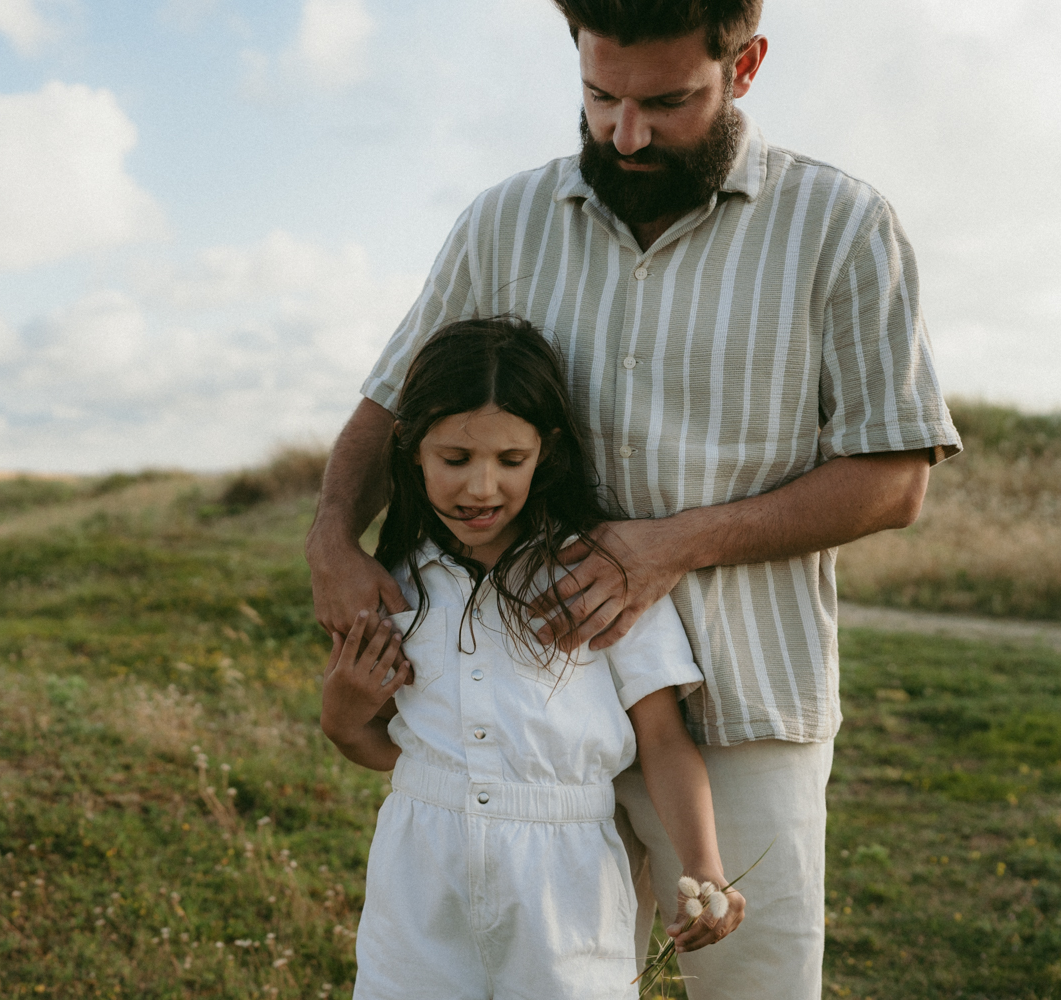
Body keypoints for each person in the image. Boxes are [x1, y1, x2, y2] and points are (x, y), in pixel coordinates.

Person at [305, 1, 962, 996]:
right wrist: (330, 541)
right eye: (598, 95)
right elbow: (396, 401)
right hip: (535, 724)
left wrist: (675, 544)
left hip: (745, 710)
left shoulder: (841, 225)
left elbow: (894, 479)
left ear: (745, 67)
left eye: (666, 101)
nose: (624, 133)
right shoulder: (501, 220)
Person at [320, 317, 744, 999]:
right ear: (411, 449)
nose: (481, 488)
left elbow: (663, 740)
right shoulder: (392, 584)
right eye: (455, 459)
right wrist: (342, 720)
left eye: (509, 460)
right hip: (420, 880)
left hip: (565, 886)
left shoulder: (603, 579)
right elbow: (410, 754)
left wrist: (704, 864)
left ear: (545, 452)